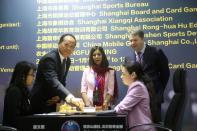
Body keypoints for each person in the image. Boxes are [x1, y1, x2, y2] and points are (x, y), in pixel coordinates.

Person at [31, 34, 84, 113]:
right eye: (66, 45)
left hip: (54, 102)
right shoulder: (50, 58)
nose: (69, 48)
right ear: (59, 43)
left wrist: (59, 96)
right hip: (41, 101)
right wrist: (71, 98)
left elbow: (62, 81)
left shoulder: (67, 60)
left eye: (72, 46)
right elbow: (53, 80)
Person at [129, 29, 170, 120]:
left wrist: (158, 90)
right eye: (130, 41)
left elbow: (165, 74)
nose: (132, 43)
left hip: (154, 99)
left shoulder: (156, 52)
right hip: (137, 99)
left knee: (154, 126)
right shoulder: (129, 57)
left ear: (142, 39)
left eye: (135, 40)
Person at [114, 61, 159, 130]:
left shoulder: (138, 87)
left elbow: (121, 109)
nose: (121, 76)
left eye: (123, 74)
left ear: (133, 75)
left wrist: (109, 112)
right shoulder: (137, 86)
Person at [3, 61, 36, 128]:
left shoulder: (25, 91)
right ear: (23, 76)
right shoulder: (14, 91)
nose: (34, 78)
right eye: (32, 75)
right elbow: (13, 119)